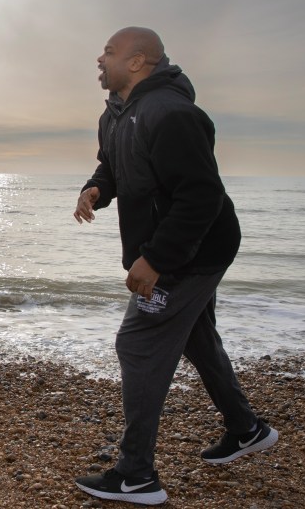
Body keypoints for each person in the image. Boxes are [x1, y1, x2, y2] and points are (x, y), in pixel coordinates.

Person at [72, 27, 278, 505]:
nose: (99, 59)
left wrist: (157, 261)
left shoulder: (172, 114)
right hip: (177, 248)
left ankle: (136, 475)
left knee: (139, 344)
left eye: (109, 52)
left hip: (193, 253)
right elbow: (114, 164)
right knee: (194, 336)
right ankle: (247, 430)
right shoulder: (117, 113)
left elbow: (200, 196)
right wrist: (96, 189)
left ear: (138, 61)